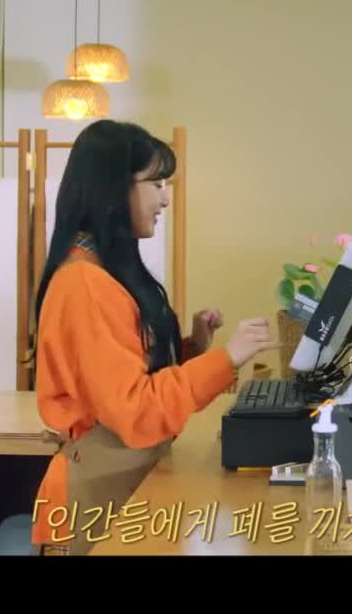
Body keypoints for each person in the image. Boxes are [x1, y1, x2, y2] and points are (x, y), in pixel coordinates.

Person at [29, 120, 278, 555]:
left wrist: (191, 348)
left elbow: (126, 375)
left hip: (113, 481)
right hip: (93, 498)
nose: (165, 199)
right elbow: (136, 410)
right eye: (157, 184)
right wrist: (225, 359)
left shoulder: (100, 272)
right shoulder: (84, 284)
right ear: (114, 188)